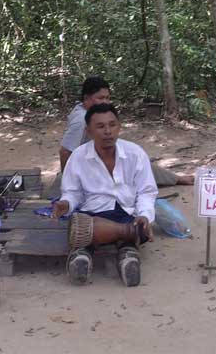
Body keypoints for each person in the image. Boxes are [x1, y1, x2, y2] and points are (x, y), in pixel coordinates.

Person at [52, 103, 157, 286]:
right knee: (81, 227)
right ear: (89, 131)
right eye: (100, 126)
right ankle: (127, 247)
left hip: (128, 212)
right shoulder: (78, 156)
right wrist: (66, 203)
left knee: (136, 224)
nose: (108, 131)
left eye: (112, 125)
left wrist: (144, 215)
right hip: (93, 215)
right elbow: (72, 192)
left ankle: (89, 253)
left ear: (119, 127)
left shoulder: (135, 154)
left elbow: (146, 192)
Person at [59, 76, 194, 186]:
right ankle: (175, 179)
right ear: (87, 98)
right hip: (91, 165)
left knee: (133, 157)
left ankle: (173, 178)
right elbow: (65, 151)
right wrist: (67, 182)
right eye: (101, 98)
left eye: (107, 98)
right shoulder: (81, 120)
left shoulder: (84, 110)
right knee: (132, 164)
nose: (106, 102)